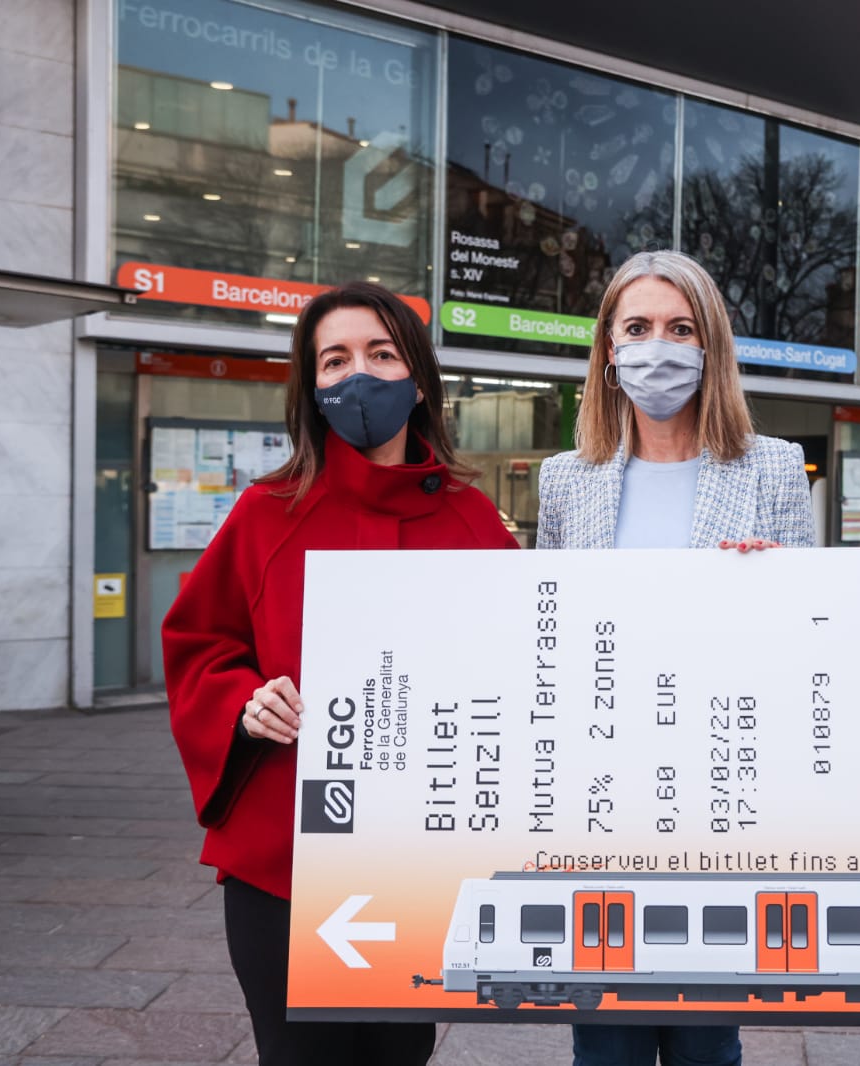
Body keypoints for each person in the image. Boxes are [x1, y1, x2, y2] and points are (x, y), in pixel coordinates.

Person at [162, 282, 518, 1065]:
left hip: (420, 858)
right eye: (336, 359)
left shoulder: (473, 519)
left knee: (400, 1055)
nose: (359, 374)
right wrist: (244, 702)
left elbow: (521, 661)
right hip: (283, 861)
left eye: (381, 354)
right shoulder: (265, 513)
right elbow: (200, 641)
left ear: (417, 378)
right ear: (313, 385)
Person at [537, 250, 814, 1066]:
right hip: (600, 802)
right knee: (606, 1043)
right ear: (609, 351)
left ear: (710, 346)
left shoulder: (770, 468)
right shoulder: (565, 480)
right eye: (638, 328)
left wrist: (778, 590)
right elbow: (545, 640)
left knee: (706, 1042)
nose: (658, 347)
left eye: (680, 328)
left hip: (718, 801)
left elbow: (811, 646)